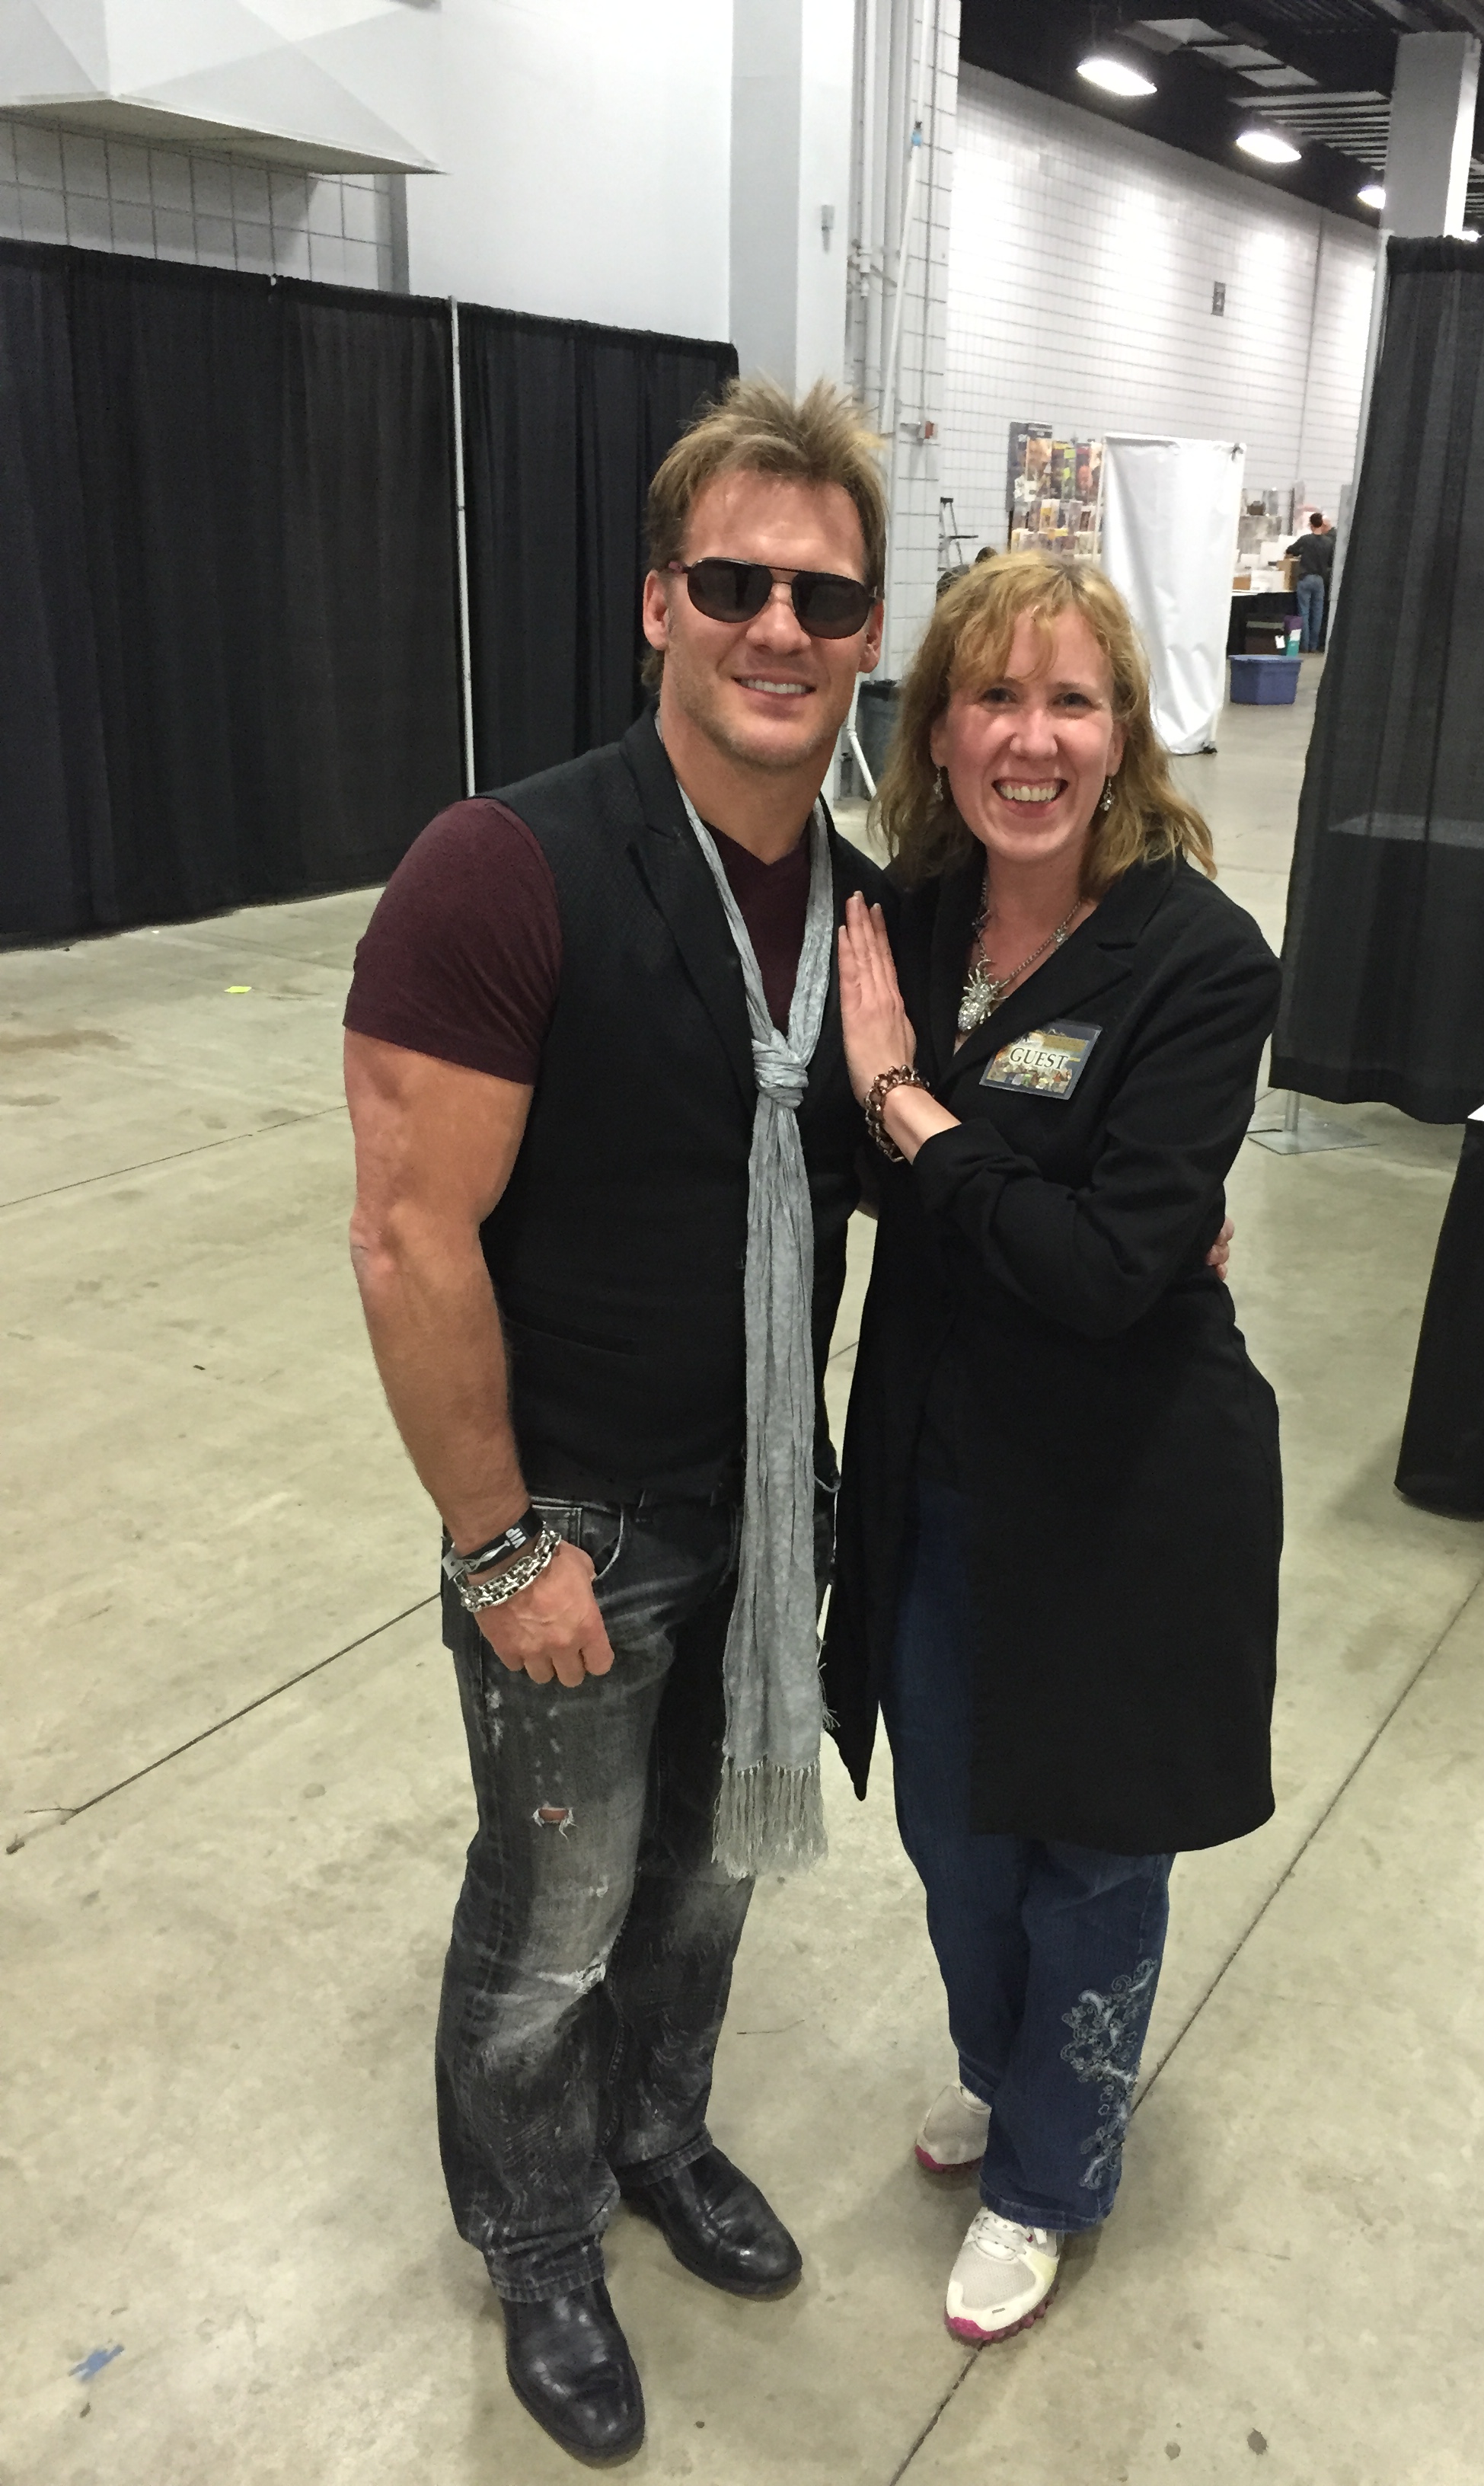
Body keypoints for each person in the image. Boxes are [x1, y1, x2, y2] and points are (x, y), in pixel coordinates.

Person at [342, 379, 890, 2465]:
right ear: (658, 602)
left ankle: (659, 2136)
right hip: (572, 1518)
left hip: (768, 1501)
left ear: (865, 630)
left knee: (710, 1880)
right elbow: (410, 1237)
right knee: (556, 1913)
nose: (777, 628)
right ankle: (538, 2229)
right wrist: (500, 1543)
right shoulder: (506, 870)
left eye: (822, 596)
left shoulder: (864, 913)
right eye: (734, 583)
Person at [824, 551, 1283, 2345]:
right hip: (938, 1467)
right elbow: (880, 1175)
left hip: (1123, 1486)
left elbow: (1102, 1275)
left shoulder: (1197, 961)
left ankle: (1049, 2173)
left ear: (1123, 733)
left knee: (1088, 1853)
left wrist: (909, 1105)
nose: (1030, 739)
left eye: (1070, 701)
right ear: (937, 732)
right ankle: (997, 2065)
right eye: (993, 698)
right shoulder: (911, 925)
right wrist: (924, 1138)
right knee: (953, 1825)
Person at [1288, 510, 1333, 653]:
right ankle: (1314, 646)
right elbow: (1331, 561)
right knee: (1318, 613)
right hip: (1320, 580)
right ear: (1322, 524)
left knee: (1304, 612)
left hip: (1306, 578)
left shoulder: (1306, 539)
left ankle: (1305, 645)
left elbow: (1291, 550)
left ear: (1311, 524)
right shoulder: (1329, 542)